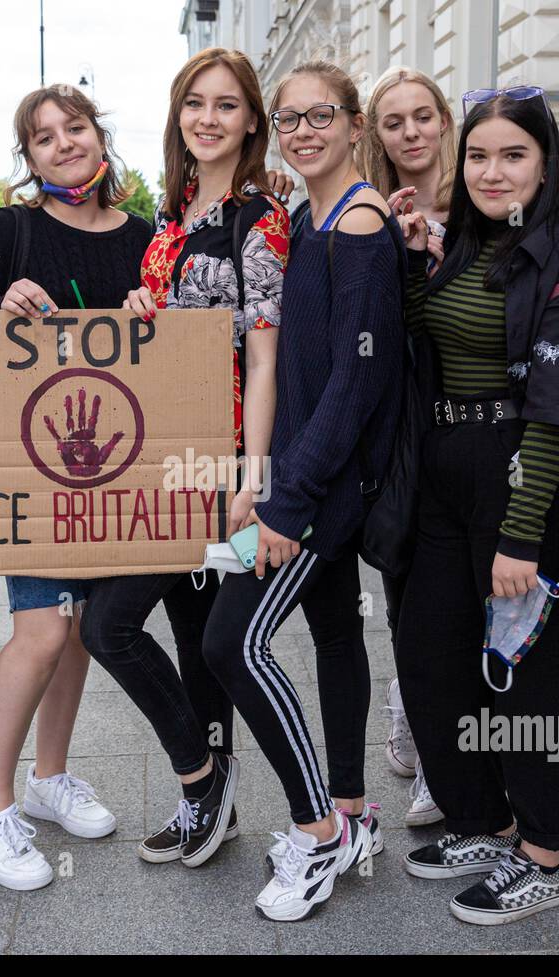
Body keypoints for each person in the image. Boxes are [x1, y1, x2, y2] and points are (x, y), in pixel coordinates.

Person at [393, 85, 559, 925]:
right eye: (478, 154)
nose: (492, 170)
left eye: (513, 155)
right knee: (432, 657)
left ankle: (543, 852)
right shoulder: (464, 247)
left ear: (545, 166)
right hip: (445, 473)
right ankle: (487, 819)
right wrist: (410, 262)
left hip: (529, 482)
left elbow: (556, 411)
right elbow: (423, 335)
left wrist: (519, 537)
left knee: (535, 678)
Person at [200, 60, 404, 922]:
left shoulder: (359, 225)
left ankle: (316, 833)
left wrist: (285, 502)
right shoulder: (314, 216)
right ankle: (352, 812)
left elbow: (354, 388)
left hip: (320, 491)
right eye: (289, 119)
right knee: (331, 632)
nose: (305, 130)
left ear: (355, 126)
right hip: (307, 479)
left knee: (231, 644)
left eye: (322, 116)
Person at [82, 47, 289, 869]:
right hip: (163, 449)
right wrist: (143, 305)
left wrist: (255, 473)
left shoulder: (258, 216)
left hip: (221, 458)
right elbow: (171, 329)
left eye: (227, 105)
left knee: (109, 623)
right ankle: (214, 797)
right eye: (195, 102)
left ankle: (201, 781)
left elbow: (266, 358)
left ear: (250, 121)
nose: (208, 117)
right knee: (193, 629)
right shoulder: (172, 215)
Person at [0, 85, 149, 891]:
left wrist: (152, 308)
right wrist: (1, 303)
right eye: (43, 138)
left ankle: (49, 777)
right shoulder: (14, 229)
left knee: (75, 631)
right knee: (39, 630)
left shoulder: (144, 236)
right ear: (27, 158)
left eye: (75, 128)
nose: (63, 144)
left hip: (111, 465)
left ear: (99, 135)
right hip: (28, 464)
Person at [360, 67, 458, 827]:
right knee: (403, 582)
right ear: (378, 135)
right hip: (400, 426)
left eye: (423, 116)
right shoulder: (369, 212)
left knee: (464, 601)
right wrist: (391, 249)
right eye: (395, 122)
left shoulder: (487, 199)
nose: (412, 132)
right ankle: (416, 722)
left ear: (444, 121)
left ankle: (448, 756)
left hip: (475, 423)